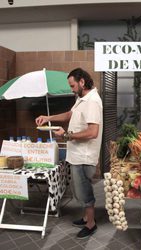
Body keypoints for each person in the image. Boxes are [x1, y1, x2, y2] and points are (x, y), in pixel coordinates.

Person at [35, 68, 103, 239]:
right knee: (79, 190)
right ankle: (87, 217)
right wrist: (48, 118)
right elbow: (70, 114)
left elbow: (93, 132)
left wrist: (66, 135)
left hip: (84, 156)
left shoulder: (92, 101)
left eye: (73, 85)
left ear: (82, 82)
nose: (71, 89)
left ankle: (91, 224)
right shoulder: (82, 99)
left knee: (84, 192)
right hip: (77, 154)